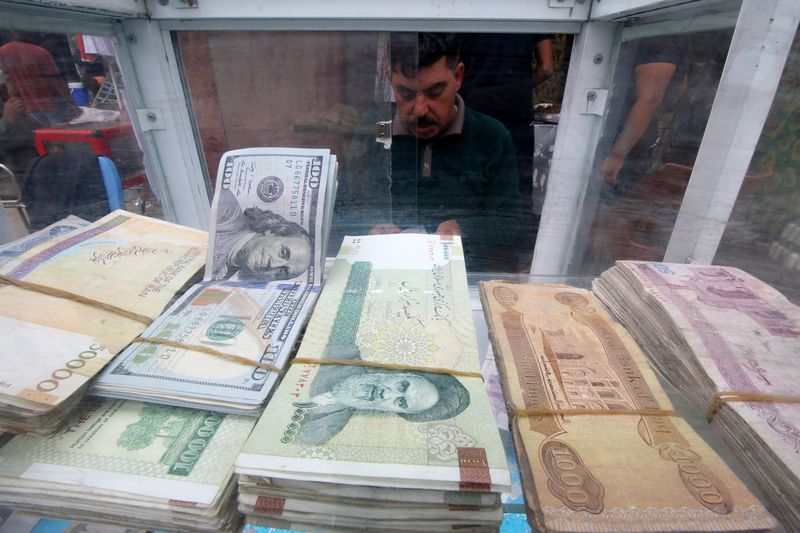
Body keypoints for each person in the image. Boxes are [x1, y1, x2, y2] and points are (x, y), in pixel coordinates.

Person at [333, 32, 523, 272]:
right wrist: (368, 227)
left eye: (435, 93)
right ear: (390, 80)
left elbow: (512, 222)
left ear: (457, 76)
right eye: (406, 93)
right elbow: (343, 209)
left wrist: (463, 229)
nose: (420, 110)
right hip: (385, 271)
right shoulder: (377, 129)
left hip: (462, 276)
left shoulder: (492, 136)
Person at [294, 344, 471, 445]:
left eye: (401, 403)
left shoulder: (321, 433)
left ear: (396, 412)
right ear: (403, 374)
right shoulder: (340, 349)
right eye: (402, 385)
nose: (387, 394)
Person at [210, 188, 312, 282]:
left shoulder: (222, 281)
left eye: (282, 271)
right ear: (271, 232)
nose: (273, 265)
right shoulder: (225, 211)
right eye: (282, 253)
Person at [0, 31, 79, 127]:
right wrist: (71, 103)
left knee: (43, 137)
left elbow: (10, 81)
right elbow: (55, 81)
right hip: (53, 105)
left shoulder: (3, 52)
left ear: (13, 32)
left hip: (30, 108)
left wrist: (15, 103)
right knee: (61, 136)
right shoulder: (39, 52)